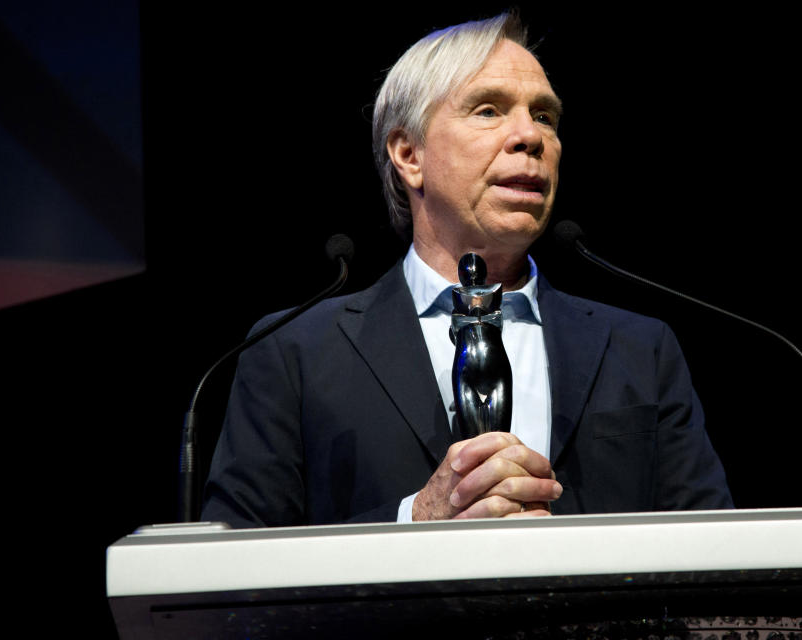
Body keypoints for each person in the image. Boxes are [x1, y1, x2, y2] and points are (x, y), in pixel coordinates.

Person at [201, 13, 732, 528]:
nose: (530, 137)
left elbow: (716, 553)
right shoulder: (293, 351)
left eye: (545, 116)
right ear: (409, 154)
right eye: (488, 110)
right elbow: (232, 568)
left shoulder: (641, 348)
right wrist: (416, 521)